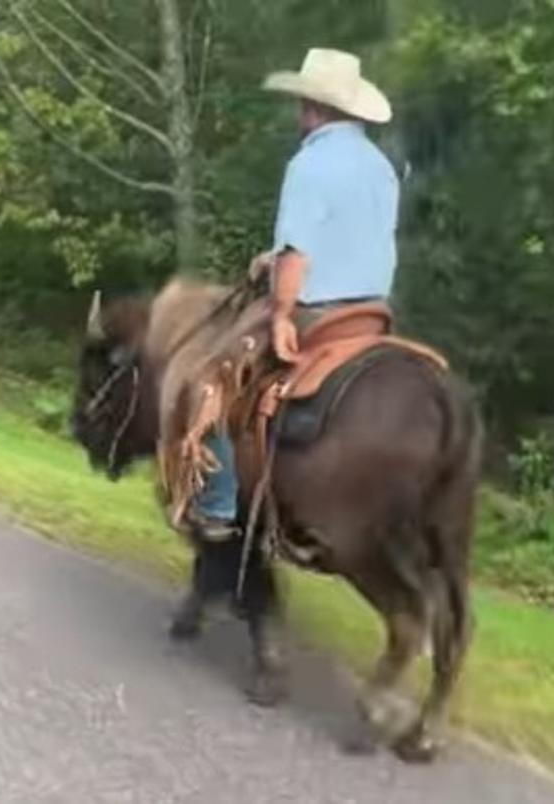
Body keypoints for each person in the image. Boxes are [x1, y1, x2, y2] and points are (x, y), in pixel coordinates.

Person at [190, 48, 400, 541]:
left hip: (316, 313)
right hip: (372, 315)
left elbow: (302, 253)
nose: (299, 113)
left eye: (302, 104)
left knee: (215, 370)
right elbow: (350, 239)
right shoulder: (382, 168)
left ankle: (218, 505)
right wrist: (273, 256)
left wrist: (283, 313)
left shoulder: (311, 163)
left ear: (313, 108)